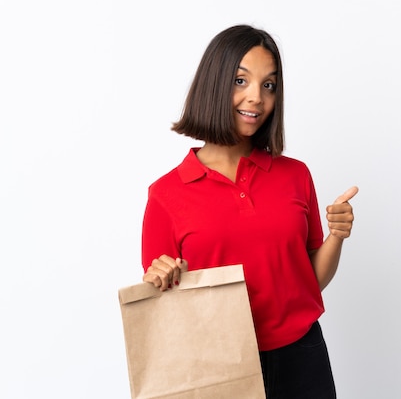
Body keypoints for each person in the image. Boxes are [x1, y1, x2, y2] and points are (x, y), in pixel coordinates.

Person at [141, 24, 357, 399]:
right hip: (215, 365)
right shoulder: (165, 195)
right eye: (241, 81)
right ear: (214, 83)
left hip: (302, 357)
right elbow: (160, 305)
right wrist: (160, 276)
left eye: (268, 85)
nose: (256, 97)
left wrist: (336, 235)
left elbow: (310, 281)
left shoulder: (295, 175)